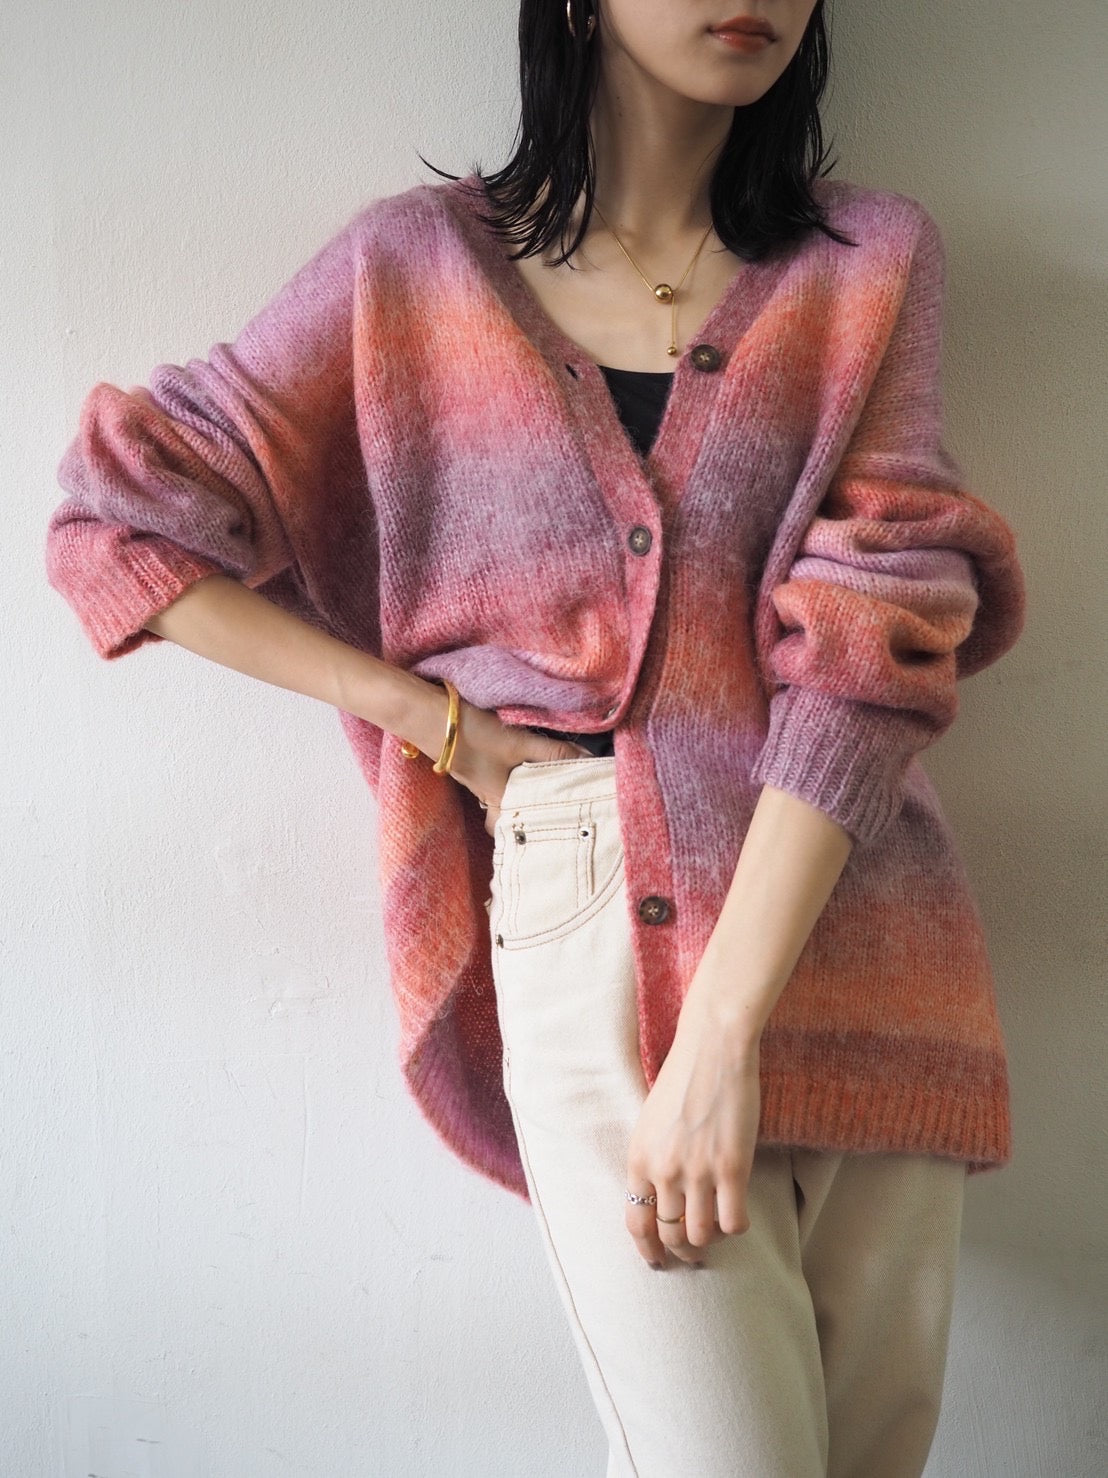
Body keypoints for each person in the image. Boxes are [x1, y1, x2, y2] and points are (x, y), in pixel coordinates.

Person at [44, 2, 1028, 1473]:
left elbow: (877, 635)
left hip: (865, 916)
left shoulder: (870, 261)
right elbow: (114, 522)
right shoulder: (410, 273)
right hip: (598, 912)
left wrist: (723, 1030)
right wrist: (440, 724)